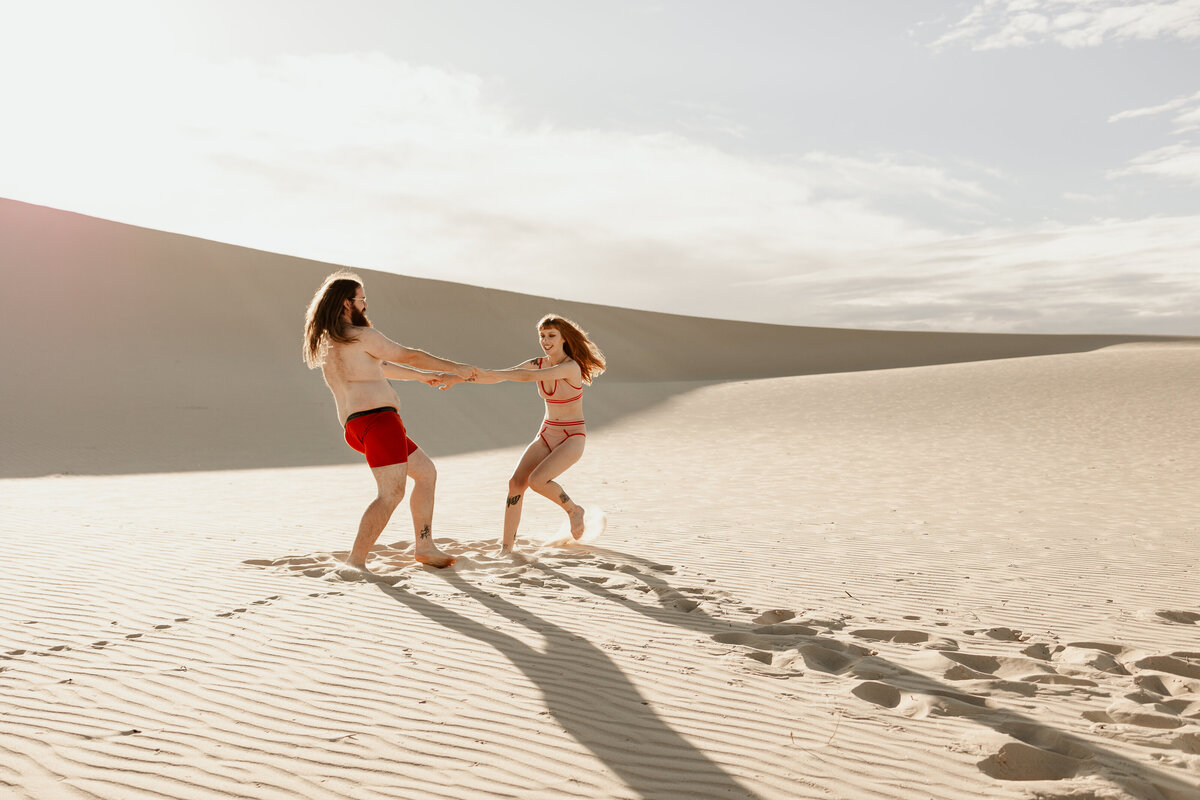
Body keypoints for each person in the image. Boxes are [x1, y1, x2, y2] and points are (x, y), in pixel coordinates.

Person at [302, 270, 476, 570]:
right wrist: (456, 367)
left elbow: (379, 368)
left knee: (425, 473)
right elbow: (408, 355)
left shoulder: (331, 345)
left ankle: (424, 545)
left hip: (357, 427)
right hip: (380, 422)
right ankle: (355, 561)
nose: (366, 305)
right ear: (346, 303)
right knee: (390, 494)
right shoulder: (363, 336)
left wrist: (424, 377)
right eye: (362, 299)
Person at [441, 314, 606, 555]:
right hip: (548, 432)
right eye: (542, 336)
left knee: (538, 480)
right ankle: (506, 548)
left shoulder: (570, 367)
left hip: (572, 436)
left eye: (551, 336)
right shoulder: (538, 363)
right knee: (515, 484)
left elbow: (524, 376)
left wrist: (503, 374)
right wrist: (457, 378)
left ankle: (573, 510)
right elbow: (499, 375)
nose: (545, 340)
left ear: (563, 339)